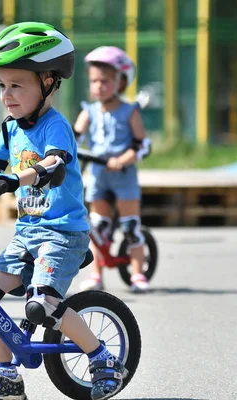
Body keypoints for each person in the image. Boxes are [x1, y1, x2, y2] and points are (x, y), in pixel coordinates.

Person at [0, 22, 127, 400]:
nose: (6, 95)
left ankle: (103, 358)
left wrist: (17, 180)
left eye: (16, 85)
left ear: (48, 82)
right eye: (2, 86)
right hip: (28, 235)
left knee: (43, 306)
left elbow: (53, 165)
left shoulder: (56, 127)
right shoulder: (11, 129)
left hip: (63, 233)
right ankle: (7, 378)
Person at [73, 46, 152, 294]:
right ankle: (96, 275)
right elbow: (73, 138)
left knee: (130, 227)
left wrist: (126, 158)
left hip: (123, 177)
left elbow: (143, 144)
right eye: (94, 81)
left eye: (105, 81)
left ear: (121, 81)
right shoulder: (89, 111)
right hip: (98, 175)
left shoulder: (130, 111)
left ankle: (138, 273)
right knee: (98, 228)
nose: (98, 86)